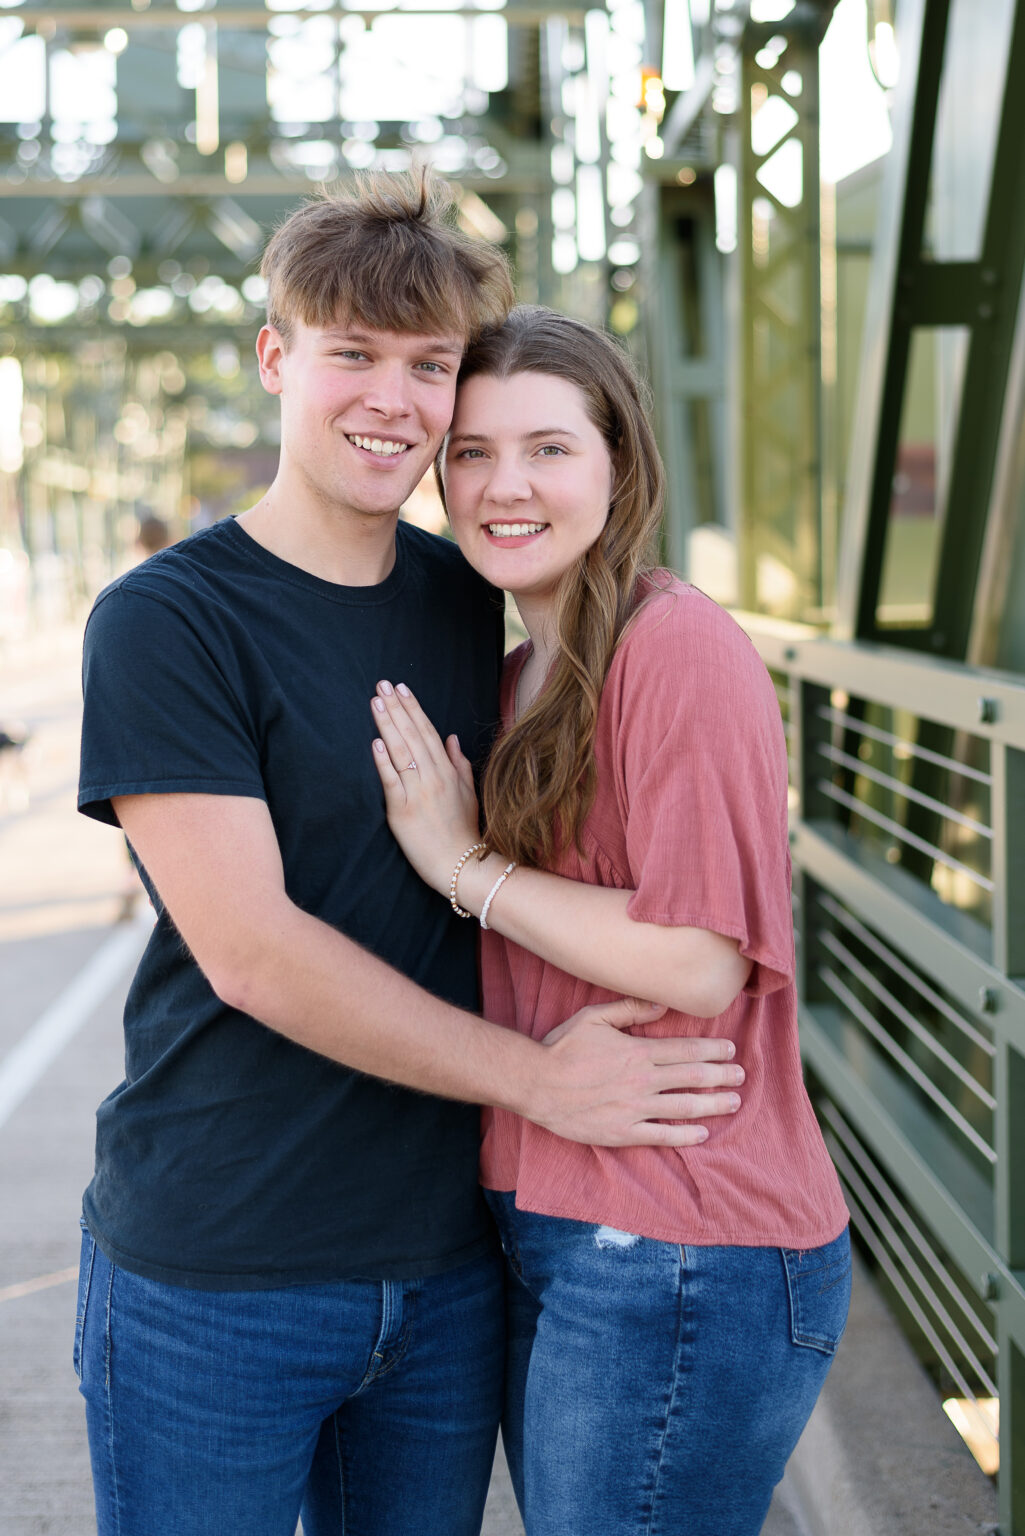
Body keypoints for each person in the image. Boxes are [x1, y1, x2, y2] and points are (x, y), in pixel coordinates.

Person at [74, 178, 745, 1536]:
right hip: (221, 1269)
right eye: (353, 355)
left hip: (443, 1274)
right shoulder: (166, 621)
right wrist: (543, 1084)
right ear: (277, 358)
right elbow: (253, 954)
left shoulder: (469, 599)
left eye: (429, 364)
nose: (393, 397)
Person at [369, 305, 852, 1536]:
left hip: (682, 1243)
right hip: (563, 1224)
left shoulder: (672, 646)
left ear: (618, 465)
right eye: (470, 452)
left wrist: (461, 863)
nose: (501, 484)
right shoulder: (523, 667)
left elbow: (697, 961)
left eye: (547, 448)